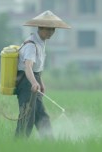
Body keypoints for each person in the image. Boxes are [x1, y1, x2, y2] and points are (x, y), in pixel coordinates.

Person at [15, 10, 71, 138]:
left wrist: (40, 82)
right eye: (48, 30)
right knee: (27, 116)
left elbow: (37, 69)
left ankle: (49, 142)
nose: (51, 33)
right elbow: (28, 66)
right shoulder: (31, 44)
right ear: (40, 28)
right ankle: (18, 144)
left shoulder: (40, 42)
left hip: (34, 80)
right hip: (26, 83)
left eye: (53, 30)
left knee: (41, 114)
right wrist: (34, 82)